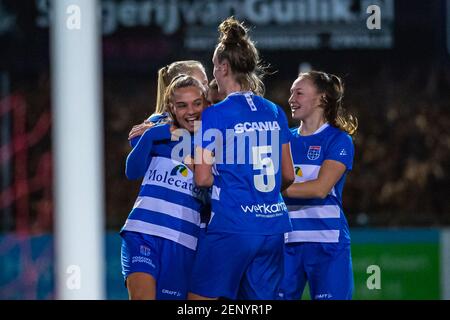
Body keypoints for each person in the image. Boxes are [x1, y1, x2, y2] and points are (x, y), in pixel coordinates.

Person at [188, 17, 295, 300]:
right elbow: (288, 175)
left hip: (232, 225)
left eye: (214, 66)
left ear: (223, 67)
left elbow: (202, 177)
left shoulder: (214, 114)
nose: (213, 73)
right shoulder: (275, 111)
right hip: (273, 228)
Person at [120, 75, 209, 300]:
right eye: (182, 105)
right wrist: (150, 135)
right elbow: (132, 171)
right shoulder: (157, 127)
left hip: (183, 239)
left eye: (196, 103)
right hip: (143, 230)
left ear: (206, 102)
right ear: (171, 107)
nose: (190, 111)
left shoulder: (214, 137)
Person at [277, 70, 358, 300]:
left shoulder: (339, 139)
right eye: (291, 92)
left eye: (299, 93)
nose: (291, 98)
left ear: (321, 99)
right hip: (286, 242)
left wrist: (270, 189)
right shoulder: (284, 140)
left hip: (327, 244)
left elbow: (320, 188)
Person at [128, 61, 208, 144]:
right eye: (200, 84)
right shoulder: (157, 120)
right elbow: (136, 139)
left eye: (206, 83)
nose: (206, 88)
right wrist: (157, 132)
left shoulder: (208, 112)